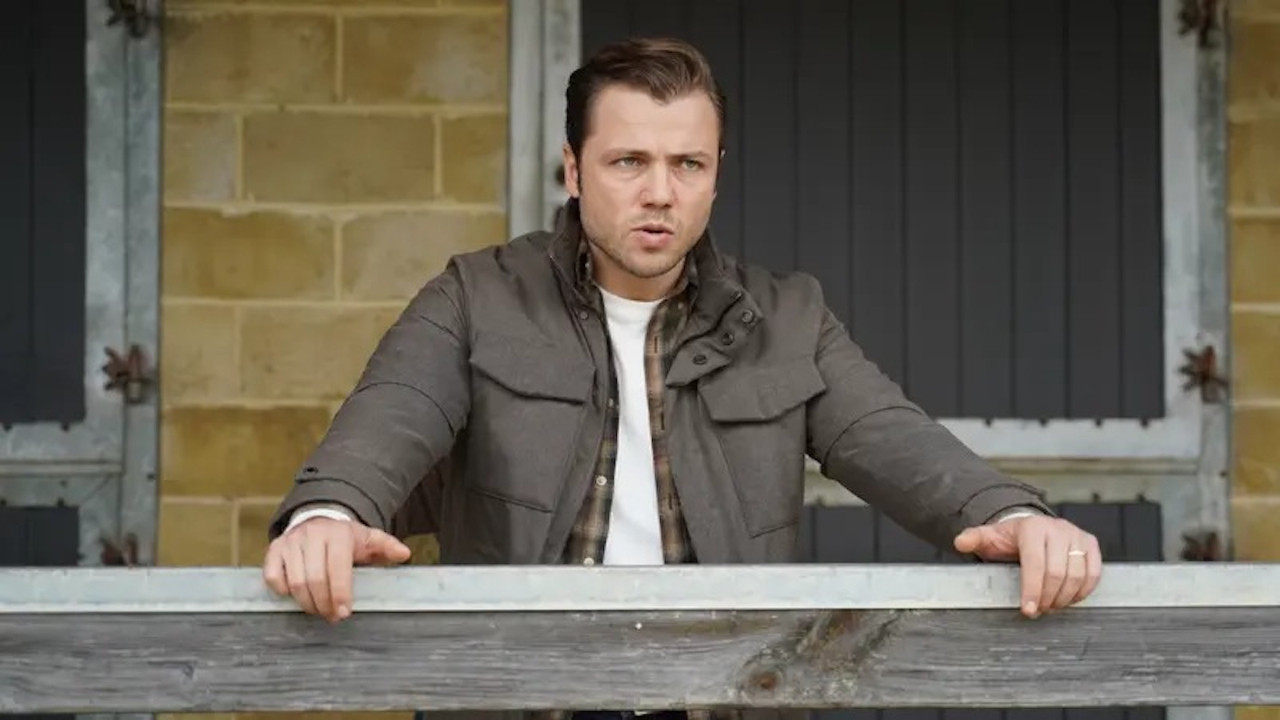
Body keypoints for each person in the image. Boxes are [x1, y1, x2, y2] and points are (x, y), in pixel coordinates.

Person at [262, 37, 1101, 638]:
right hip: (524, 692)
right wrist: (329, 516)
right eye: (629, 162)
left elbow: (893, 436)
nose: (660, 192)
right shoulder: (477, 296)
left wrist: (1011, 514)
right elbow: (391, 414)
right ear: (574, 170)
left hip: (722, 692)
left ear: (714, 175)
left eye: (687, 165)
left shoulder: (787, 317)